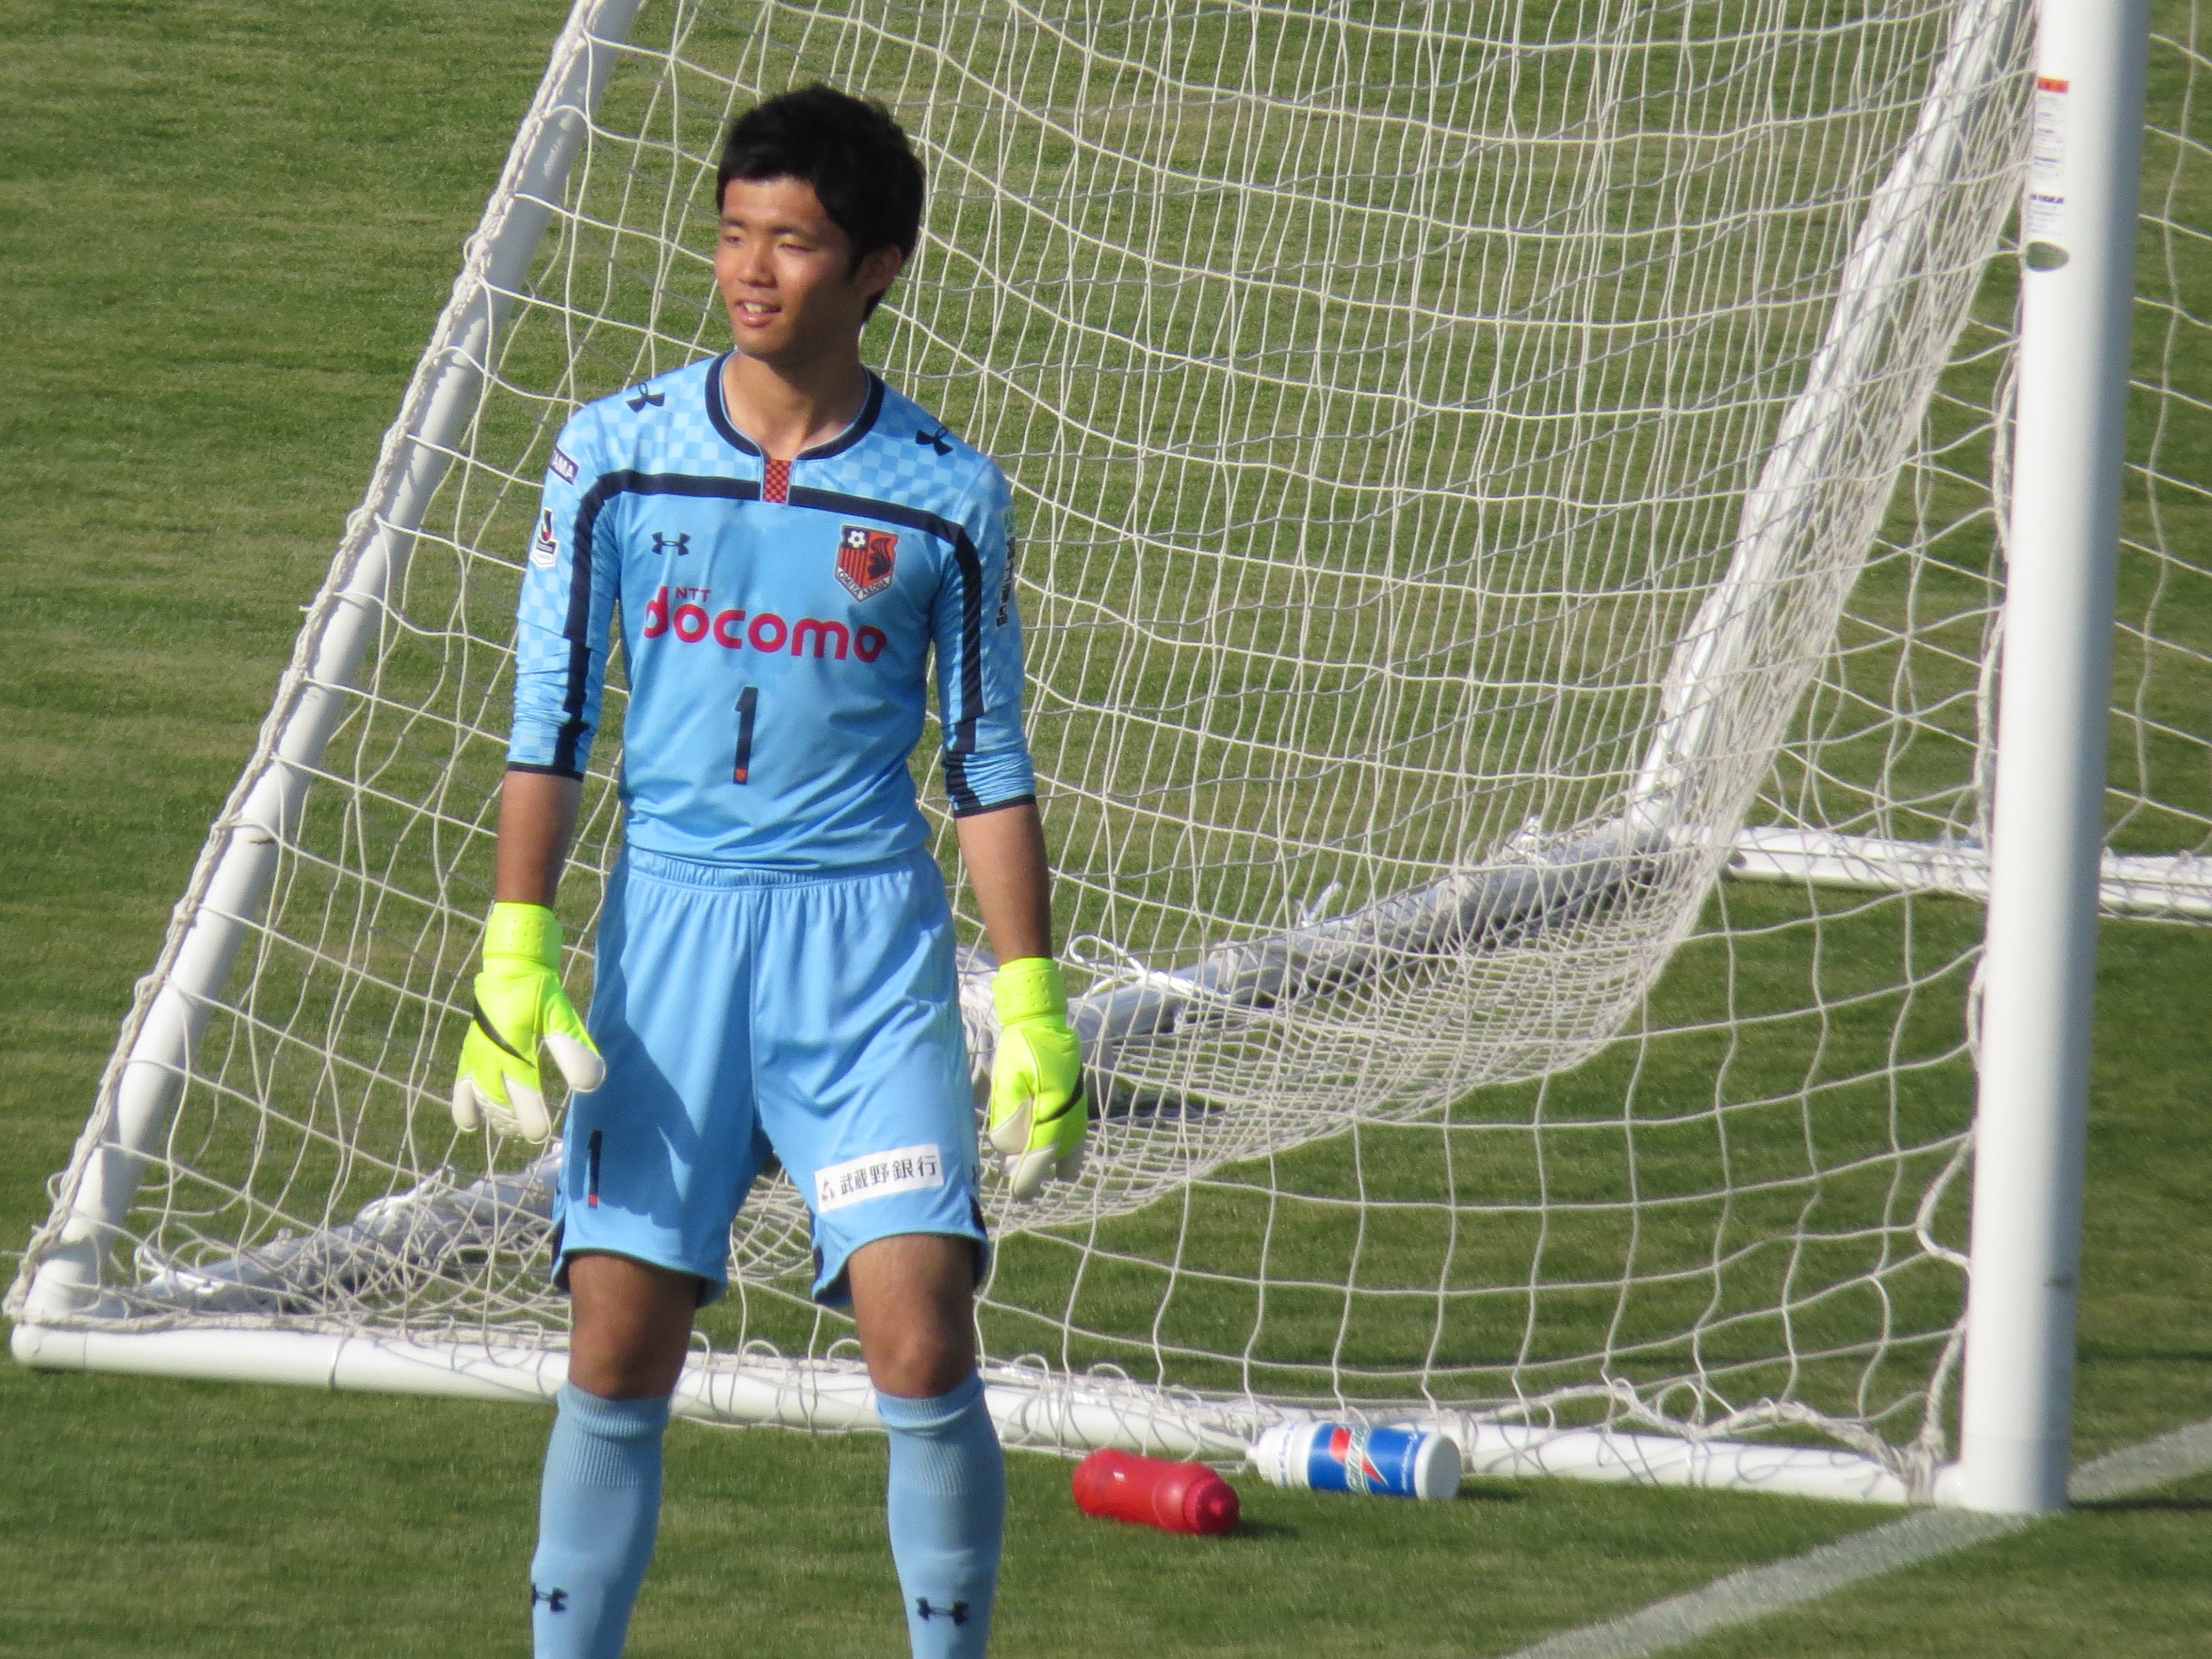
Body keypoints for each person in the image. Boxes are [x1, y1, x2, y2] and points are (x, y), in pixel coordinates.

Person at [448, 84, 1087, 1659]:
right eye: (734, 234)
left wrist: (1031, 999)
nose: (751, 270)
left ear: (876, 268)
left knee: (922, 1332)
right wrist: (516, 949)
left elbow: (987, 762)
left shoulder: (945, 494)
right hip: (669, 946)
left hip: (864, 956)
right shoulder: (615, 457)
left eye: (792, 242)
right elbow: (551, 722)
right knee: (617, 1349)